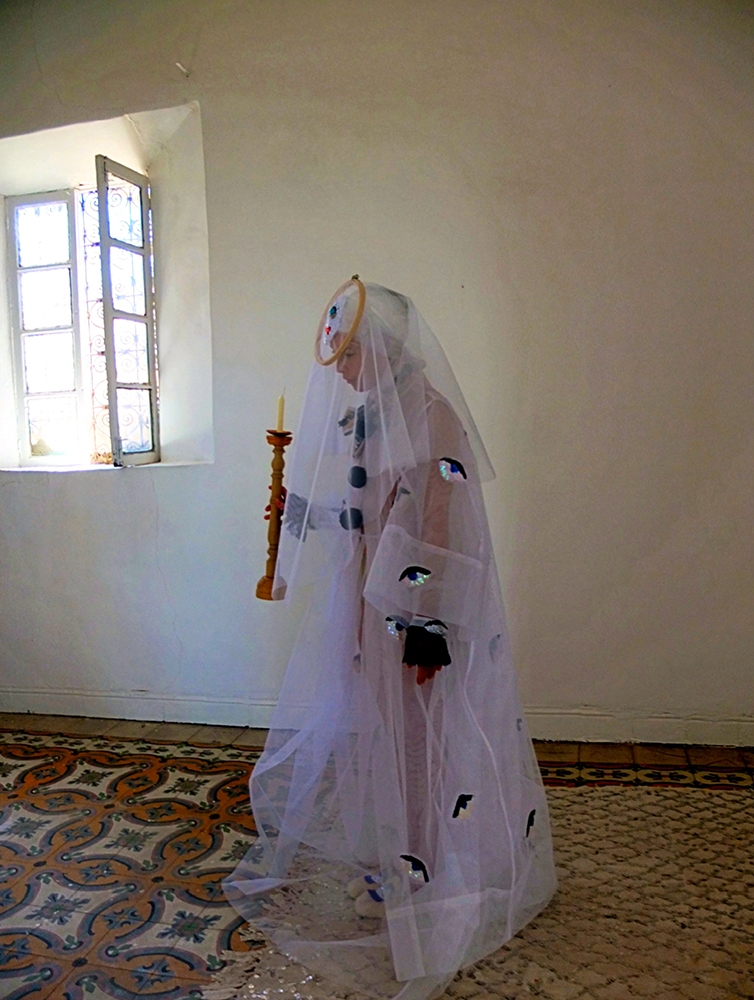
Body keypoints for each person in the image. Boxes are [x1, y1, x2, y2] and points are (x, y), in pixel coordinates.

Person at [224, 279, 556, 1000]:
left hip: (412, 618)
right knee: (382, 733)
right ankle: (400, 860)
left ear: (382, 347)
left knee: (420, 742)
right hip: (368, 608)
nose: (340, 370)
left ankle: (427, 880)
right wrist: (301, 511)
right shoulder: (368, 418)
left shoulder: (433, 418)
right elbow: (362, 512)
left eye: (349, 355)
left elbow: (443, 524)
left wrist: (425, 625)